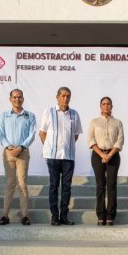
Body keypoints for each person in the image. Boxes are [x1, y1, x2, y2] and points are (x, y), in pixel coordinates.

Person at [39, 86, 82, 226]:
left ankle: (64, 216)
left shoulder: (74, 114)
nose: (65, 98)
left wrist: (66, 146)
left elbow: (75, 135)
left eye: (68, 96)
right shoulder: (49, 112)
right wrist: (50, 146)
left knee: (67, 187)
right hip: (53, 157)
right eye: (63, 95)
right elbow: (42, 133)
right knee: (53, 186)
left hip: (68, 157)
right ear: (57, 97)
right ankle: (54, 216)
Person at [0, 89, 36, 226]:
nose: (17, 100)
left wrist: (21, 147)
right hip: (8, 152)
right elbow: (1, 134)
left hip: (23, 153)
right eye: (14, 97)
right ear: (10, 99)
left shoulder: (29, 116)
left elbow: (32, 134)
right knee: (10, 184)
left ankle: (25, 216)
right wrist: (9, 147)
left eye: (19, 97)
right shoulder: (4, 116)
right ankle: (5, 215)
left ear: (23, 99)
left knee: (22, 185)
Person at [87, 96, 124, 226]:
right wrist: (102, 154)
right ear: (100, 106)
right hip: (98, 155)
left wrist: (110, 154)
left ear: (112, 106)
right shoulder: (94, 122)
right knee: (100, 185)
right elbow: (91, 140)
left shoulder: (118, 122)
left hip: (113, 155)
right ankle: (101, 214)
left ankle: (110, 215)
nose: (106, 106)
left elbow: (120, 141)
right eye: (103, 104)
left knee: (112, 185)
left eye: (108, 104)